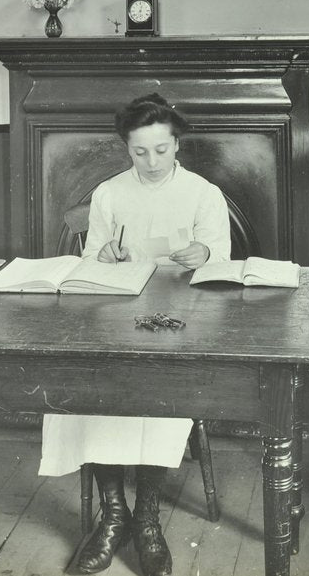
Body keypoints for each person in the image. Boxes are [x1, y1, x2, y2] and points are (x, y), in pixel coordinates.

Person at [38, 93, 231, 576]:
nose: (151, 161)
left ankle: (145, 515)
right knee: (92, 384)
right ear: (126, 147)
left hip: (180, 317)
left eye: (161, 150)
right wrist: (103, 257)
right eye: (140, 151)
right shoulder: (109, 193)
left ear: (177, 145)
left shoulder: (203, 193)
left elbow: (222, 261)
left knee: (159, 390)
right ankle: (113, 514)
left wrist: (203, 254)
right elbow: (95, 258)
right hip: (117, 311)